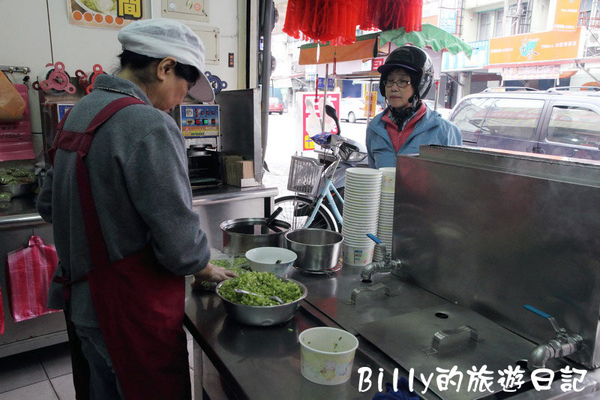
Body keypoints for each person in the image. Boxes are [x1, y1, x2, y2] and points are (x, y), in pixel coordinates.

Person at [37, 18, 236, 400]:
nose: (182, 98)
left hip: (82, 304)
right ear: (164, 67)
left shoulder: (80, 113)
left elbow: (49, 205)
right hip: (130, 313)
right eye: (185, 85)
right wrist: (203, 265)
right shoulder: (148, 124)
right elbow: (179, 244)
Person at [366, 45, 462, 168]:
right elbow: (373, 176)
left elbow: (454, 180)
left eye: (402, 81)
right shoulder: (375, 128)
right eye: (390, 81)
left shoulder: (445, 131)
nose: (394, 88)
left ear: (420, 85)